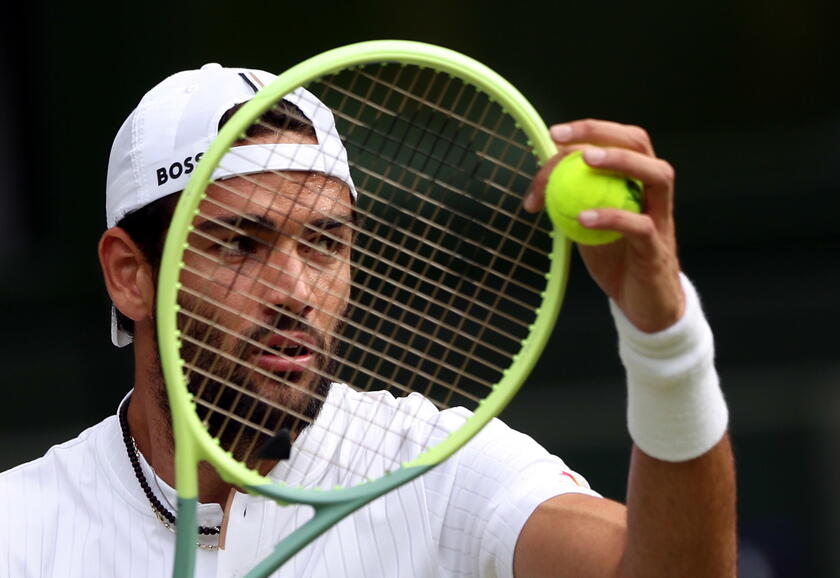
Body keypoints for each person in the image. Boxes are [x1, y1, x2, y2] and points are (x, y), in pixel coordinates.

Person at [0, 64, 736, 577]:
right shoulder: (21, 531)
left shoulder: (438, 471)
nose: (293, 290)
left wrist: (666, 341)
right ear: (130, 274)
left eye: (324, 242)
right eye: (241, 244)